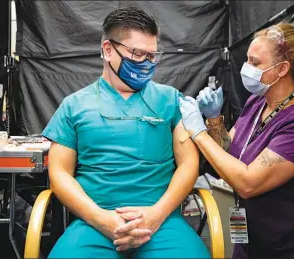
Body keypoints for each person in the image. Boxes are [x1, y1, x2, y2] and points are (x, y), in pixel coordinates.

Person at [42, 6, 210, 259]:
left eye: (152, 55)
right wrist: (101, 219)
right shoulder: (74, 105)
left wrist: (156, 215)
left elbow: (189, 165)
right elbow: (59, 174)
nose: (146, 63)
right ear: (109, 50)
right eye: (137, 54)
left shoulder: (170, 100)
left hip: (163, 223)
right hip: (94, 223)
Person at [179, 22, 294, 258]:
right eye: (246, 60)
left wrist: (198, 133)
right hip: (252, 238)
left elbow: (247, 184)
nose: (246, 68)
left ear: (283, 68)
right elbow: (229, 149)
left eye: (255, 63)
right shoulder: (257, 102)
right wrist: (214, 120)